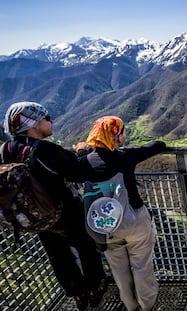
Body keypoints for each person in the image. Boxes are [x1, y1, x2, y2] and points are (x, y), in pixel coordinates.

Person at [1, 102, 108, 311]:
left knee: (58, 256)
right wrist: (82, 152)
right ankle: (95, 288)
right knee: (87, 248)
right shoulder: (46, 149)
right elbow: (77, 173)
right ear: (32, 123)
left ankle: (77, 293)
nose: (51, 122)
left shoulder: (6, 148)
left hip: (33, 216)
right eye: (46, 118)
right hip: (64, 213)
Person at [74, 116, 166, 311]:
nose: (124, 136)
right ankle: (147, 305)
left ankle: (130, 306)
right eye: (122, 132)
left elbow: (81, 160)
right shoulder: (125, 157)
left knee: (119, 270)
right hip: (134, 221)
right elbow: (159, 144)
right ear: (115, 137)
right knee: (142, 266)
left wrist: (82, 150)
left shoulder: (82, 162)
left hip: (104, 227)